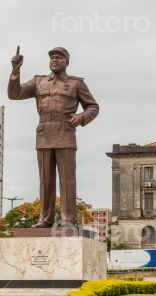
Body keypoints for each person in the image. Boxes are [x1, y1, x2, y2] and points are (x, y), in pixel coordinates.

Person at [8, 47, 99, 227]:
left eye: (59, 57)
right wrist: (15, 70)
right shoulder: (38, 82)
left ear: (67, 61)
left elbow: (93, 107)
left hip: (65, 133)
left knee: (67, 180)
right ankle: (45, 218)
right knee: (45, 180)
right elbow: (14, 94)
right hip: (43, 134)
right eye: (52, 58)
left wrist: (81, 117)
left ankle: (67, 219)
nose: (54, 60)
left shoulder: (76, 84)